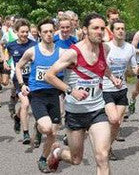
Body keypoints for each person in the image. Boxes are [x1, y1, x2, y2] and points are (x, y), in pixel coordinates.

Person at [45, 12, 122, 174]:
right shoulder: (73, 53)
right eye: (95, 28)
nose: (99, 31)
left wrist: (112, 77)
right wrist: (71, 90)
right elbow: (49, 75)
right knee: (76, 159)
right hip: (75, 113)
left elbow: (103, 67)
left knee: (102, 156)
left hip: (97, 110)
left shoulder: (105, 48)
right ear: (85, 30)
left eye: (102, 28)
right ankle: (58, 153)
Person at [15, 18, 63, 172]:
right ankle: (38, 126)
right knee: (47, 128)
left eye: (51, 31)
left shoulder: (61, 52)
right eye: (45, 32)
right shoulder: (32, 51)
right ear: (40, 34)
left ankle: (43, 159)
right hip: (37, 95)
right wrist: (22, 85)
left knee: (53, 132)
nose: (48, 34)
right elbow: (18, 66)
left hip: (54, 95)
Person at [103, 19, 137, 160]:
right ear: (112, 31)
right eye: (117, 29)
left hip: (121, 89)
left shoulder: (130, 48)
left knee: (116, 123)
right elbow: (102, 68)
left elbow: (133, 67)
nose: (121, 31)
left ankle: (107, 148)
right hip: (106, 88)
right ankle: (103, 146)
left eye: (123, 28)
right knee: (114, 118)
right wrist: (112, 78)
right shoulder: (106, 47)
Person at [3, 19, 36, 143]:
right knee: (25, 104)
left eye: (27, 32)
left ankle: (17, 117)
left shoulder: (34, 44)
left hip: (32, 79)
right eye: (22, 32)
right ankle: (26, 133)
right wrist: (6, 61)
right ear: (16, 32)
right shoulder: (11, 45)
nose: (25, 34)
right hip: (19, 80)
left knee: (28, 105)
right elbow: (7, 53)